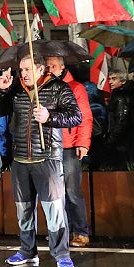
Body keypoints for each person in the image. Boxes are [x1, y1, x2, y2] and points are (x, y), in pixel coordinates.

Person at [0, 53, 81, 267]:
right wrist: (1, 91)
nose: (23, 73)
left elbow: (75, 116)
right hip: (21, 159)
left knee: (54, 210)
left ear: (41, 69)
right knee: (23, 210)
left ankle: (62, 254)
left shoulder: (58, 87)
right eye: (21, 70)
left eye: (28, 69)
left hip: (48, 159)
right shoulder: (15, 88)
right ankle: (27, 251)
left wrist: (50, 117)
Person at [46, 56, 92, 248]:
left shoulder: (76, 88)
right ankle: (61, 230)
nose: (50, 69)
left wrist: (82, 143)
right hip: (50, 147)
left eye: (53, 66)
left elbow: (85, 117)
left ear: (62, 67)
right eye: (47, 66)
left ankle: (80, 232)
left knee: (72, 191)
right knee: (55, 194)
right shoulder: (44, 88)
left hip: (69, 146)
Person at [107, 70, 134, 168]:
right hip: (123, 138)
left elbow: (121, 119)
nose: (110, 82)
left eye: (114, 79)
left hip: (120, 140)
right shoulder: (121, 94)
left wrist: (112, 138)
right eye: (109, 79)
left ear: (123, 81)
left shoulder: (120, 96)